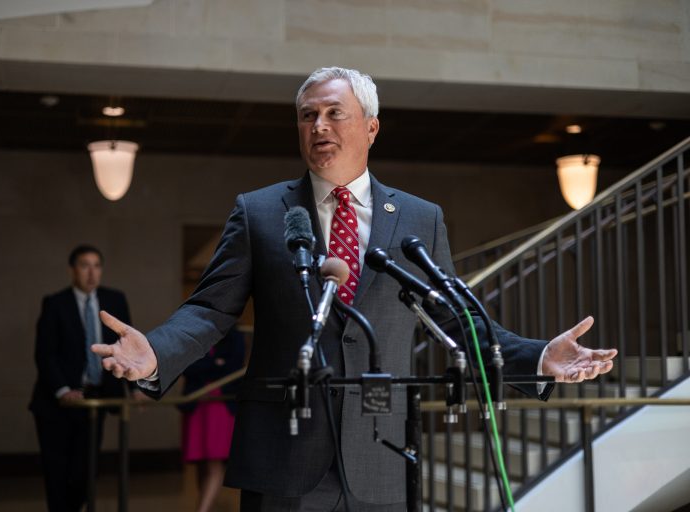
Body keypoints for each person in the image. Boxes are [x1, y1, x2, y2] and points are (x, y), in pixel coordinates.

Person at [92, 67, 618, 511]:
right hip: (284, 454)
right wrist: (156, 353)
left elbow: (456, 320)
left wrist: (538, 356)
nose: (318, 126)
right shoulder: (259, 212)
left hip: (382, 453)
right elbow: (211, 308)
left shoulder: (419, 218)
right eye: (307, 116)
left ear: (371, 127)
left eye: (333, 113)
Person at [29, 244, 133, 512]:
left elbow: (128, 349)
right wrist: (63, 390)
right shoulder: (55, 303)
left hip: (94, 402)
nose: (91, 272)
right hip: (58, 404)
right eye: (85, 265)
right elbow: (45, 354)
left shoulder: (115, 300)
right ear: (72, 270)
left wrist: (133, 389)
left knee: (85, 472)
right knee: (57, 473)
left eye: (97, 266)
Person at [179, 327, 246, 512]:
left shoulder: (235, 336)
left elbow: (233, 367)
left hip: (220, 406)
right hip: (196, 405)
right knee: (201, 462)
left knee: (214, 462)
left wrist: (206, 364)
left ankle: (202, 509)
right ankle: (207, 506)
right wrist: (215, 364)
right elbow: (186, 367)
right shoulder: (192, 334)